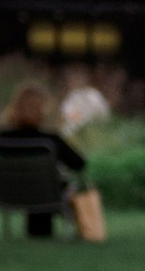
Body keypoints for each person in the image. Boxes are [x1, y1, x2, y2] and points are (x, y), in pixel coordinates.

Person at [3, 78, 107, 242]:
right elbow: (79, 164)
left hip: (8, 194)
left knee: (35, 184)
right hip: (48, 194)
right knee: (54, 184)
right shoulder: (50, 140)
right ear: (41, 110)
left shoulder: (3, 140)